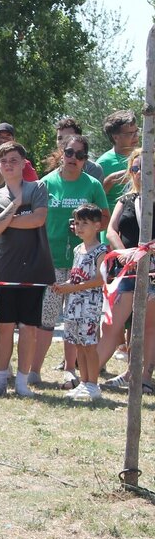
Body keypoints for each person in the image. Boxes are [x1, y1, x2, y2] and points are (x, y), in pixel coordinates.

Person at [32, 141, 109, 387]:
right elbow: (34, 217)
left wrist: (84, 228)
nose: (73, 157)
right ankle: (34, 370)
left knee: (73, 319)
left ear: (86, 158)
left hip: (82, 262)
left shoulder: (93, 184)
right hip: (51, 259)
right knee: (47, 316)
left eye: (80, 154)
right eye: (69, 152)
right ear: (61, 154)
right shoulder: (45, 183)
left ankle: (70, 370)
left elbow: (104, 219)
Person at [0, 142, 55, 397]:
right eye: (4, 161)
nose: (9, 165)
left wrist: (5, 221)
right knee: (3, 326)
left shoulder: (38, 188)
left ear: (24, 163)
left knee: (28, 327)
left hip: (35, 270)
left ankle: (22, 382)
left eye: (14, 160)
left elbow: (38, 219)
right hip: (6, 271)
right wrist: (15, 206)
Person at [99, 149, 155, 388]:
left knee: (148, 326)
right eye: (135, 168)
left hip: (152, 270)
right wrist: (123, 252)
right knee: (112, 324)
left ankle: (143, 377)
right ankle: (90, 377)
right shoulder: (126, 200)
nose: (139, 172)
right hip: (127, 269)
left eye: (144, 167)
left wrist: (147, 251)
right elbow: (111, 230)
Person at [52, 204, 108, 401]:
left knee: (89, 346)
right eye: (76, 223)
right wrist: (64, 285)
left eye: (85, 223)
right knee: (79, 345)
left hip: (89, 306)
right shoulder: (77, 249)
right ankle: (84, 382)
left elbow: (100, 280)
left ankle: (93, 384)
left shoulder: (101, 250)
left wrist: (72, 288)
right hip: (74, 305)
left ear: (97, 226)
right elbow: (76, 278)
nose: (79, 227)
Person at [96, 110, 140, 202]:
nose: (136, 136)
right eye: (130, 133)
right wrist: (110, 180)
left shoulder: (142, 158)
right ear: (115, 137)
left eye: (137, 131)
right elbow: (92, 199)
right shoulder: (103, 163)